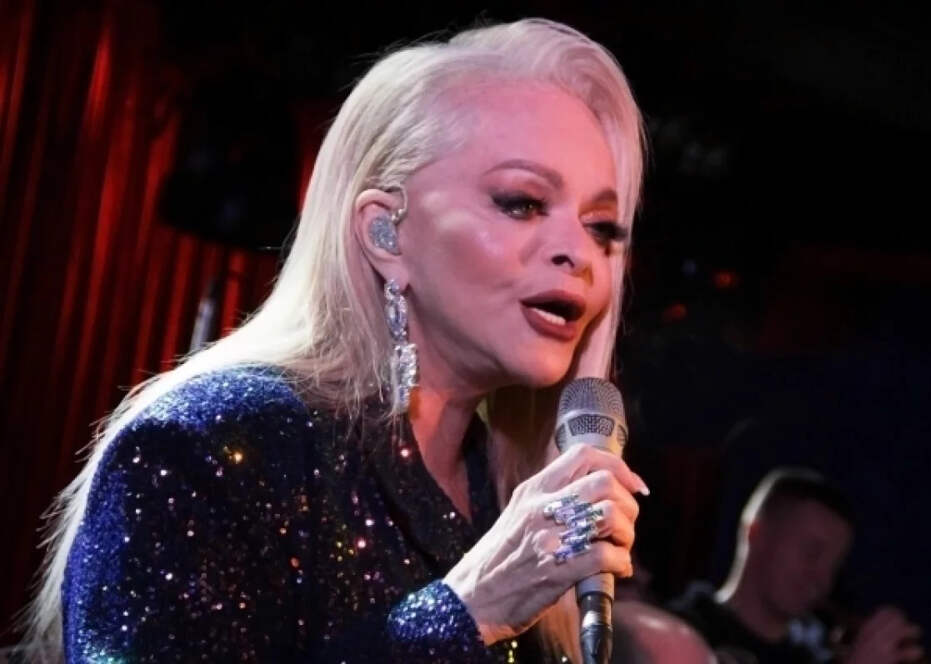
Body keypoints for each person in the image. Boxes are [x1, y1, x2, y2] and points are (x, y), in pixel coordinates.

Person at [24, 18, 649, 663]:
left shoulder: (507, 493)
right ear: (385, 233)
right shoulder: (208, 444)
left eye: (602, 227)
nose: (580, 253)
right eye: (522, 202)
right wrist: (464, 613)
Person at [670, 468, 924, 664]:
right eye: (812, 552)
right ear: (756, 533)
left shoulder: (816, 657)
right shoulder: (678, 634)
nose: (823, 579)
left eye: (834, 566)